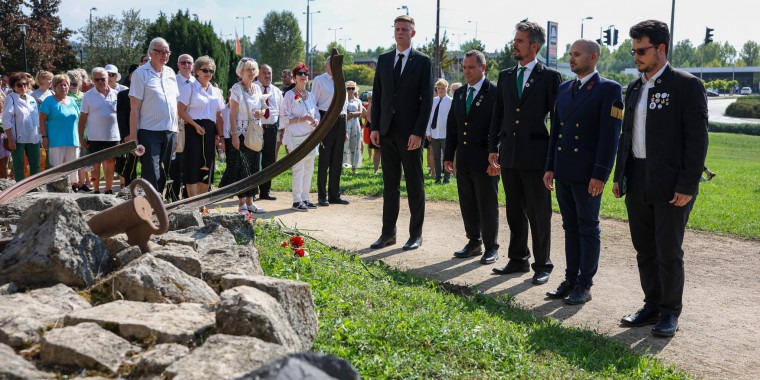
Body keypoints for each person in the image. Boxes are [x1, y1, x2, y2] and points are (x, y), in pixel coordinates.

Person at [613, 20, 708, 338]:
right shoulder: (635, 87)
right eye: (633, 50)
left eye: (641, 50)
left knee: (668, 251)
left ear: (661, 49)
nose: (636, 56)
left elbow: (697, 140)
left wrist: (687, 185)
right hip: (638, 177)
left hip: (671, 183)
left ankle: (670, 312)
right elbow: (626, 135)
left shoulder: (686, 85)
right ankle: (651, 305)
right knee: (644, 249)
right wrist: (620, 175)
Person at [542, 39, 623, 305]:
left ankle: (585, 284)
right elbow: (557, 132)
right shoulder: (564, 89)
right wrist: (550, 166)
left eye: (577, 54)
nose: (571, 58)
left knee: (588, 227)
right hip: (564, 170)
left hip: (588, 174)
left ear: (593, 57)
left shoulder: (608, 89)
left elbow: (609, 138)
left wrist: (600, 173)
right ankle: (570, 277)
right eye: (570, 54)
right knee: (569, 227)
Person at [488, 21, 562, 284]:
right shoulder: (506, 76)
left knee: (539, 213)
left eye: (519, 40)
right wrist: (492, 148)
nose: (514, 44)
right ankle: (517, 258)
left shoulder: (550, 77)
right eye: (515, 39)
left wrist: (553, 160)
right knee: (514, 211)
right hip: (509, 154)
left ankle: (542, 264)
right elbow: (498, 114)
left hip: (536, 156)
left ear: (534, 45)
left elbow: (557, 122)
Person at [369, 15, 434, 250]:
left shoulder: (423, 62)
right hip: (386, 131)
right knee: (390, 186)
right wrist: (374, 126)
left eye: (405, 29)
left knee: (415, 185)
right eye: (397, 29)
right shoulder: (384, 60)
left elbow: (427, 101)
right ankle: (388, 233)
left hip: (410, 135)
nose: (400, 32)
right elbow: (378, 95)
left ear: (413, 33)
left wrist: (418, 132)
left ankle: (415, 234)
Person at [444, 50, 500, 265]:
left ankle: (491, 246)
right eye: (464, 67)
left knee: (487, 204)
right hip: (465, 159)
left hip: (486, 160)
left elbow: (499, 128)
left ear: (482, 68)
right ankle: (473, 241)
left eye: (471, 67)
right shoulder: (459, 94)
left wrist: (496, 157)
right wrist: (449, 155)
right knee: (467, 202)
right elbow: (453, 126)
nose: (466, 71)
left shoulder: (494, 92)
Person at [128, 37, 179, 194]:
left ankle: (158, 204)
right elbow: (135, 107)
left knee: (164, 171)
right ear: (151, 53)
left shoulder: (170, 73)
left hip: (169, 130)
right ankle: (150, 205)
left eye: (167, 52)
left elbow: (174, 104)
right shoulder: (140, 74)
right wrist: (133, 136)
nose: (165, 55)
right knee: (151, 171)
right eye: (160, 52)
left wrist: (176, 132)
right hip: (149, 131)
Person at [219, 58, 266, 214]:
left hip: (254, 133)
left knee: (253, 168)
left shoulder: (258, 89)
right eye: (248, 70)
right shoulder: (236, 88)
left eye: (253, 69)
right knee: (241, 168)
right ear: (241, 72)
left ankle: (250, 201)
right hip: (239, 133)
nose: (251, 72)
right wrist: (233, 135)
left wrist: (261, 113)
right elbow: (232, 114)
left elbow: (262, 110)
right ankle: (241, 204)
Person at [177, 55, 225, 198]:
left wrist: (221, 136)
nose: (208, 73)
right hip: (192, 129)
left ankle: (202, 203)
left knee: (207, 167)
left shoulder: (216, 91)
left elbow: (219, 116)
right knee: (192, 166)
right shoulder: (189, 88)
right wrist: (195, 125)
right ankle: (192, 202)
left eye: (211, 71)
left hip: (210, 131)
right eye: (205, 70)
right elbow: (180, 110)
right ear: (197, 71)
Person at [279, 62, 321, 212]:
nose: (303, 76)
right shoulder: (290, 95)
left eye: (305, 74)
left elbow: (316, 112)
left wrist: (316, 120)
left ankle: (305, 198)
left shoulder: (310, 95)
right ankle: (297, 201)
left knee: (309, 168)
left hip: (310, 136)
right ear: (295, 77)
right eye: (300, 74)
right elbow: (283, 116)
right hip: (295, 136)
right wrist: (301, 119)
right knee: (298, 168)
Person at [312, 57, 350, 206]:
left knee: (337, 160)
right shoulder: (319, 80)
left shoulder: (341, 79)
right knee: (325, 159)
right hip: (326, 118)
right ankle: (322, 196)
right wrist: (318, 124)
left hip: (340, 120)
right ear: (326, 65)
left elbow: (345, 104)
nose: (336, 67)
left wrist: (345, 127)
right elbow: (313, 103)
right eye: (333, 64)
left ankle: (334, 194)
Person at [78, 67, 120, 194]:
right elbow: (82, 119)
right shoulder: (88, 96)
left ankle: (108, 189)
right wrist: (81, 137)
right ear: (93, 80)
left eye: (103, 79)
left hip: (113, 136)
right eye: (97, 80)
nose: (101, 82)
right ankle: (96, 189)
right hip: (94, 136)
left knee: (111, 163)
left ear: (108, 79)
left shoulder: (117, 94)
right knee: (95, 165)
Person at [40, 74, 80, 186]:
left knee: (73, 168)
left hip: (73, 140)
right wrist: (44, 137)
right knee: (57, 170)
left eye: (65, 84)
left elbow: (78, 119)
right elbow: (42, 120)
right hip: (56, 140)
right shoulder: (49, 101)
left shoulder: (72, 100)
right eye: (60, 85)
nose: (63, 87)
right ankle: (57, 188)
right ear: (54, 87)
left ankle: (73, 187)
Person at [2, 72, 41, 181]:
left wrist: (41, 135)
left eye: (25, 84)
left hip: (33, 137)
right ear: (13, 86)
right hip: (17, 138)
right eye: (19, 84)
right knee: (19, 165)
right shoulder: (11, 98)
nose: (23, 86)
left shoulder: (32, 98)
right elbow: (6, 120)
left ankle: (35, 187)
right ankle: (20, 191)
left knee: (35, 164)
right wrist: (10, 139)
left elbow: (36, 119)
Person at [167, 53, 195, 202]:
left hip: (191, 126)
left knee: (188, 163)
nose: (186, 65)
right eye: (183, 62)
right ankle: (172, 196)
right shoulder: (172, 81)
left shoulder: (195, 82)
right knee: (175, 163)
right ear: (178, 65)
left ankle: (187, 197)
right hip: (176, 125)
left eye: (189, 62)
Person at [256, 63, 283, 200]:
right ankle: (252, 191)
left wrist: (282, 129)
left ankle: (265, 191)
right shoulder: (253, 88)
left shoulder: (277, 91)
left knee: (269, 161)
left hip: (271, 129)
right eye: (264, 73)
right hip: (256, 128)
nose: (267, 76)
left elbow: (281, 112)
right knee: (254, 160)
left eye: (269, 73)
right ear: (258, 74)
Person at [67, 69, 92, 192]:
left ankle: (81, 183)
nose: (72, 86)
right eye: (69, 83)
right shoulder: (65, 97)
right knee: (72, 158)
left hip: (85, 131)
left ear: (80, 83)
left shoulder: (85, 96)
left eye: (75, 83)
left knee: (83, 158)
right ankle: (73, 183)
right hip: (70, 132)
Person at [116, 64, 140, 187]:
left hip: (147, 133)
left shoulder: (147, 92)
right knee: (130, 165)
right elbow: (120, 117)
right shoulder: (122, 95)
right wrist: (126, 135)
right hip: (130, 135)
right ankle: (129, 189)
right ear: (130, 77)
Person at [426, 78, 452, 184]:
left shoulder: (451, 101)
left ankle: (447, 178)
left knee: (447, 156)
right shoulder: (433, 101)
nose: (440, 90)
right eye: (439, 88)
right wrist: (428, 132)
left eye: (443, 88)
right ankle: (437, 177)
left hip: (446, 134)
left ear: (447, 89)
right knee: (436, 156)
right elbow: (429, 117)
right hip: (434, 133)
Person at [344, 81, 364, 173]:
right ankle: (342, 167)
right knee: (344, 145)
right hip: (345, 125)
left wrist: (351, 114)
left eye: (352, 88)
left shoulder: (358, 101)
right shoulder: (343, 101)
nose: (351, 90)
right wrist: (351, 115)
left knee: (355, 146)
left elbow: (360, 113)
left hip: (355, 125)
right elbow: (343, 114)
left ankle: (354, 167)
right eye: (349, 88)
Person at [364, 91, 381, 174]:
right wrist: (375, 126)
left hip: (389, 128)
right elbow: (368, 115)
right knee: (377, 150)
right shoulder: (374, 101)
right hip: (376, 128)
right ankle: (376, 170)